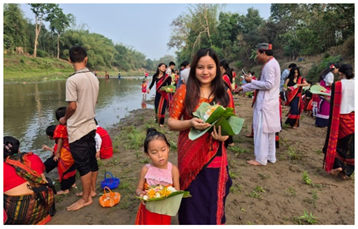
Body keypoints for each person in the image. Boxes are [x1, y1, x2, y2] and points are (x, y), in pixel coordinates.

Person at [168, 48, 234, 224]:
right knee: (192, 199)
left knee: (213, 197)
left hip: (215, 154)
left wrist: (224, 138)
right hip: (189, 155)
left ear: (217, 68)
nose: (205, 72)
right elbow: (171, 122)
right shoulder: (184, 90)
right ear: (193, 69)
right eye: (200, 67)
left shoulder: (224, 93)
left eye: (210, 67)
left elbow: (230, 126)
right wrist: (190, 123)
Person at [59, 46, 99, 211]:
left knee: (83, 165)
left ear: (69, 60)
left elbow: (72, 106)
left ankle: (86, 198)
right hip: (91, 125)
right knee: (91, 160)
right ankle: (92, 191)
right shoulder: (94, 77)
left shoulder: (72, 80)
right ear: (86, 59)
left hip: (78, 129)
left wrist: (64, 118)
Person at [234, 43, 281, 166]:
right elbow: (262, 83)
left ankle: (260, 159)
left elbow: (268, 84)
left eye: (258, 54)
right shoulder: (272, 63)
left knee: (261, 130)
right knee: (269, 131)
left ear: (263, 53)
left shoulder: (269, 66)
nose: (257, 56)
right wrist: (244, 87)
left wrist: (251, 81)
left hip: (265, 104)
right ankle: (270, 156)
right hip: (270, 102)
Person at [4, 136, 56, 225]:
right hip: (45, 207)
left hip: (21, 218)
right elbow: (42, 171)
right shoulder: (33, 157)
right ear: (18, 147)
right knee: (44, 180)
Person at [135, 128, 180, 225]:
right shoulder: (146, 170)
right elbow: (138, 188)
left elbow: (177, 192)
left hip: (165, 209)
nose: (160, 155)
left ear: (168, 148)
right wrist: (140, 194)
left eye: (163, 150)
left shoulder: (173, 170)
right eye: (154, 152)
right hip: (149, 209)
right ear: (147, 154)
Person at [322, 64, 354, 180]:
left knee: (337, 143)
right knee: (351, 147)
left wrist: (323, 96)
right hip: (354, 119)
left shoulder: (339, 85)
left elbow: (334, 102)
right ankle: (346, 172)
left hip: (341, 119)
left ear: (340, 73)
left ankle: (338, 166)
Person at [43, 107, 77, 195]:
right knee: (71, 167)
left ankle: (65, 189)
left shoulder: (60, 128)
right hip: (74, 150)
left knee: (63, 169)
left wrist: (57, 153)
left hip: (65, 152)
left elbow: (60, 142)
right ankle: (72, 183)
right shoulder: (73, 125)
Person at [147, 63, 172, 127]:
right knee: (156, 106)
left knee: (162, 108)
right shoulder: (155, 75)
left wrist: (166, 89)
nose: (164, 68)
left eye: (165, 67)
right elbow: (152, 83)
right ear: (159, 67)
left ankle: (161, 122)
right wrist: (149, 89)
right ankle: (157, 119)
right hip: (157, 93)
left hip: (163, 94)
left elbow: (170, 86)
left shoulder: (167, 77)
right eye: (163, 66)